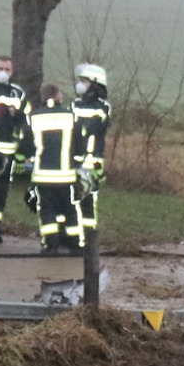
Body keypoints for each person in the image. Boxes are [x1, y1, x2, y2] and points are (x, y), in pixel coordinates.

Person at [22, 82, 84, 256]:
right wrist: (77, 164)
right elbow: (80, 144)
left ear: (43, 97)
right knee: (69, 210)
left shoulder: (33, 118)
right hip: (66, 176)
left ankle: (51, 245)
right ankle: (74, 244)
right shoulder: (70, 117)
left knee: (47, 210)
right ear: (57, 96)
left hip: (43, 177)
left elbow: (26, 146)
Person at [0, 54, 30, 243]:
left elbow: (25, 121)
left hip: (7, 152)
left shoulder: (17, 93)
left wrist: (16, 114)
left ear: (12, 71)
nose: (3, 72)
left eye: (7, 69)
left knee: (0, 193)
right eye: (0, 68)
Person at [72, 64, 111, 240]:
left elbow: (92, 128)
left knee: (88, 203)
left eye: (84, 81)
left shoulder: (103, 108)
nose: (80, 84)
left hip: (92, 162)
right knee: (73, 200)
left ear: (94, 84)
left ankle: (88, 239)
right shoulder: (75, 104)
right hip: (74, 161)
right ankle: (75, 237)